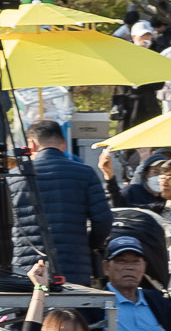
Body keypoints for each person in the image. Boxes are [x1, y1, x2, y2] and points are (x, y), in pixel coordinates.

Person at [7, 118, 113, 287]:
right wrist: (90, 245)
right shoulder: (85, 174)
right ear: (63, 145)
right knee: (71, 313)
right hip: (75, 267)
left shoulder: (15, 176)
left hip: (27, 269)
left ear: (31, 145)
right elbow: (104, 220)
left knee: (31, 312)